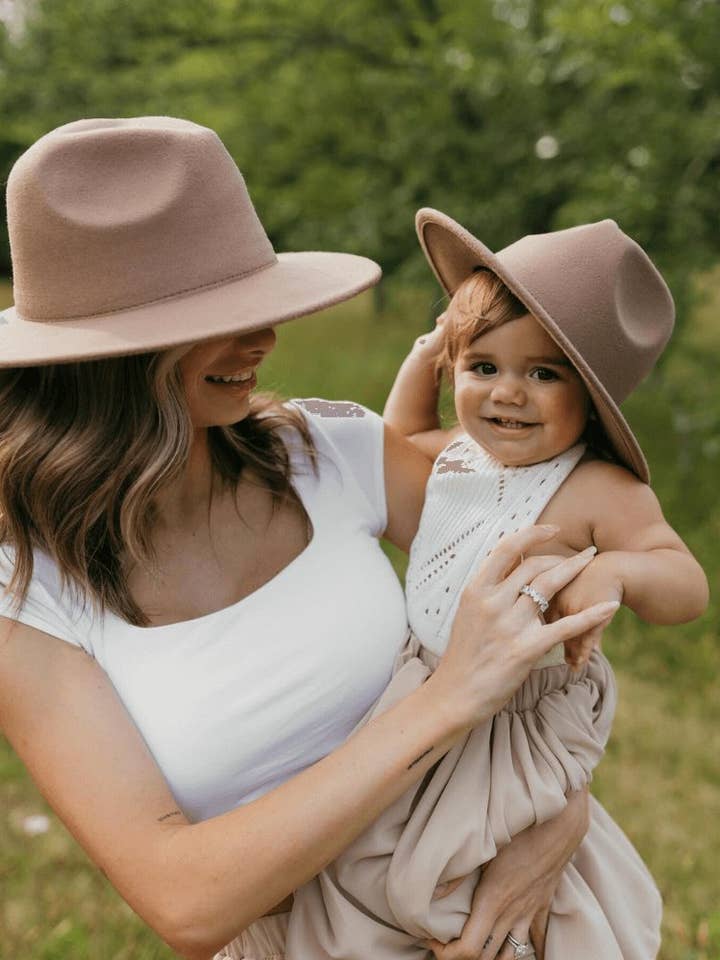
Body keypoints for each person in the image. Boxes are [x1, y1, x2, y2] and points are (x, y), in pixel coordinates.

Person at [0, 117, 620, 960]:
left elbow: (556, 587)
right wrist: (446, 701)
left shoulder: (333, 453)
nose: (264, 340)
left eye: (260, 305)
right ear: (110, 355)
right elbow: (185, 903)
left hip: (492, 915)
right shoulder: (27, 591)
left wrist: (560, 804)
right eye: (219, 317)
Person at [285, 212, 709, 959]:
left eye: (543, 374)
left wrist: (616, 570)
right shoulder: (459, 455)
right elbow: (397, 439)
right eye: (482, 367)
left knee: (460, 876)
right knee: (369, 855)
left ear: (593, 394)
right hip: (425, 688)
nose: (507, 393)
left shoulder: (597, 488)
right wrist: (425, 355)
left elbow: (686, 582)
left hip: (512, 720)